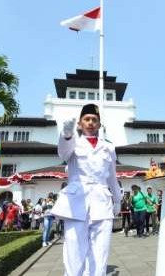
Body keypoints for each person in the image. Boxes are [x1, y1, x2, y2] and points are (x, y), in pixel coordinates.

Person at [51, 103, 122, 276]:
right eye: (87, 119)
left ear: (99, 124)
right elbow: (63, 153)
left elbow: (112, 175)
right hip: (76, 202)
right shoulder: (73, 142)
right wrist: (66, 134)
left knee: (100, 252)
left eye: (94, 120)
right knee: (74, 251)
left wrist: (118, 199)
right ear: (80, 124)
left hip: (102, 201)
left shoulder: (109, 147)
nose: (90, 122)